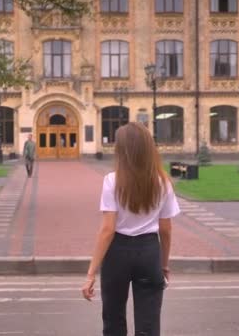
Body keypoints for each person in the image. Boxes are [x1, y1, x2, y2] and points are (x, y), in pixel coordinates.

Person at [81, 122, 180, 336]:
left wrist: (91, 273)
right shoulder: (163, 182)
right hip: (149, 251)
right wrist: (164, 265)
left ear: (122, 149)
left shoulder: (112, 181)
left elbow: (107, 230)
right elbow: (166, 229)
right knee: (149, 324)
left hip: (117, 252)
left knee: (114, 320)